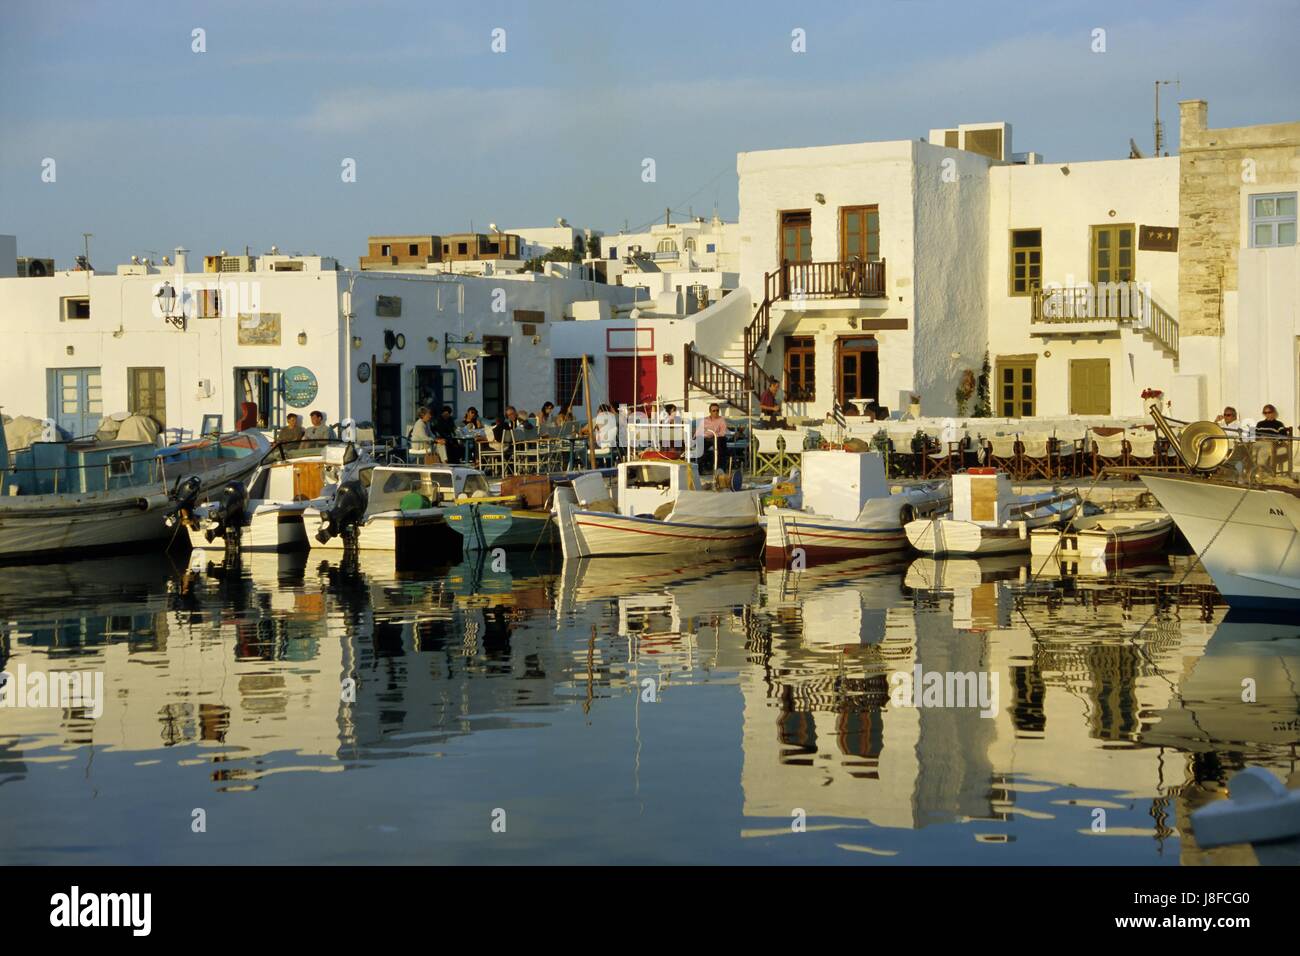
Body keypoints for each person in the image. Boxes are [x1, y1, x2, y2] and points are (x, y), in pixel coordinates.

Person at [698, 403, 729, 475]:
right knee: (700, 446)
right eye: (714, 410)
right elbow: (700, 431)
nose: (716, 412)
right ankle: (700, 469)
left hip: (717, 438)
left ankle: (720, 469)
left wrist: (714, 434)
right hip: (706, 438)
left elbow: (723, 432)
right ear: (710, 411)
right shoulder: (705, 420)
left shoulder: (721, 420)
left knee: (721, 443)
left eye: (717, 410)